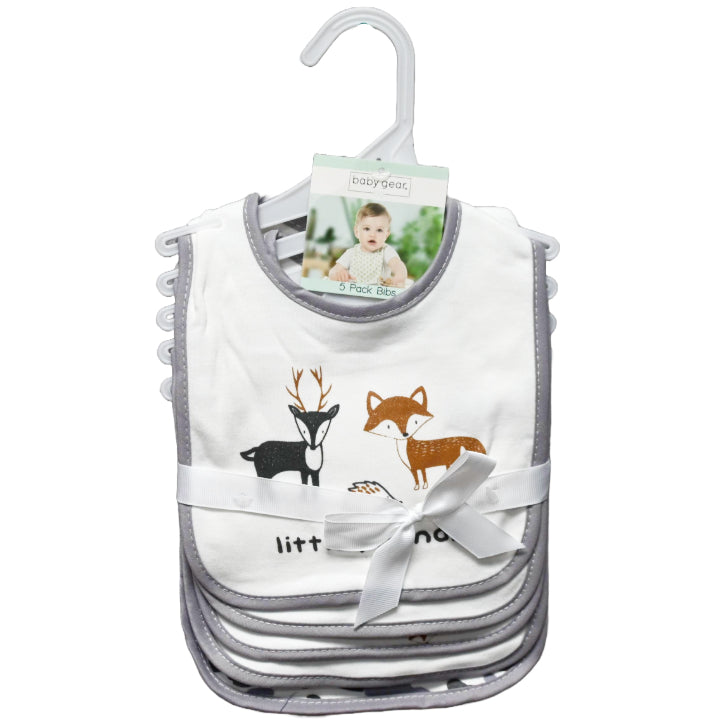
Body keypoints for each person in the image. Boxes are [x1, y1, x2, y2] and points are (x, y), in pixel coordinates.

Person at [328, 203, 408, 286]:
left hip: (378, 293)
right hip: (353, 291)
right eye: (367, 229)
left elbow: (396, 264)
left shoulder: (386, 251)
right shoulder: (351, 253)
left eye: (379, 230)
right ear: (357, 232)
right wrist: (338, 273)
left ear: (386, 235)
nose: (372, 234)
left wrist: (400, 274)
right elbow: (333, 272)